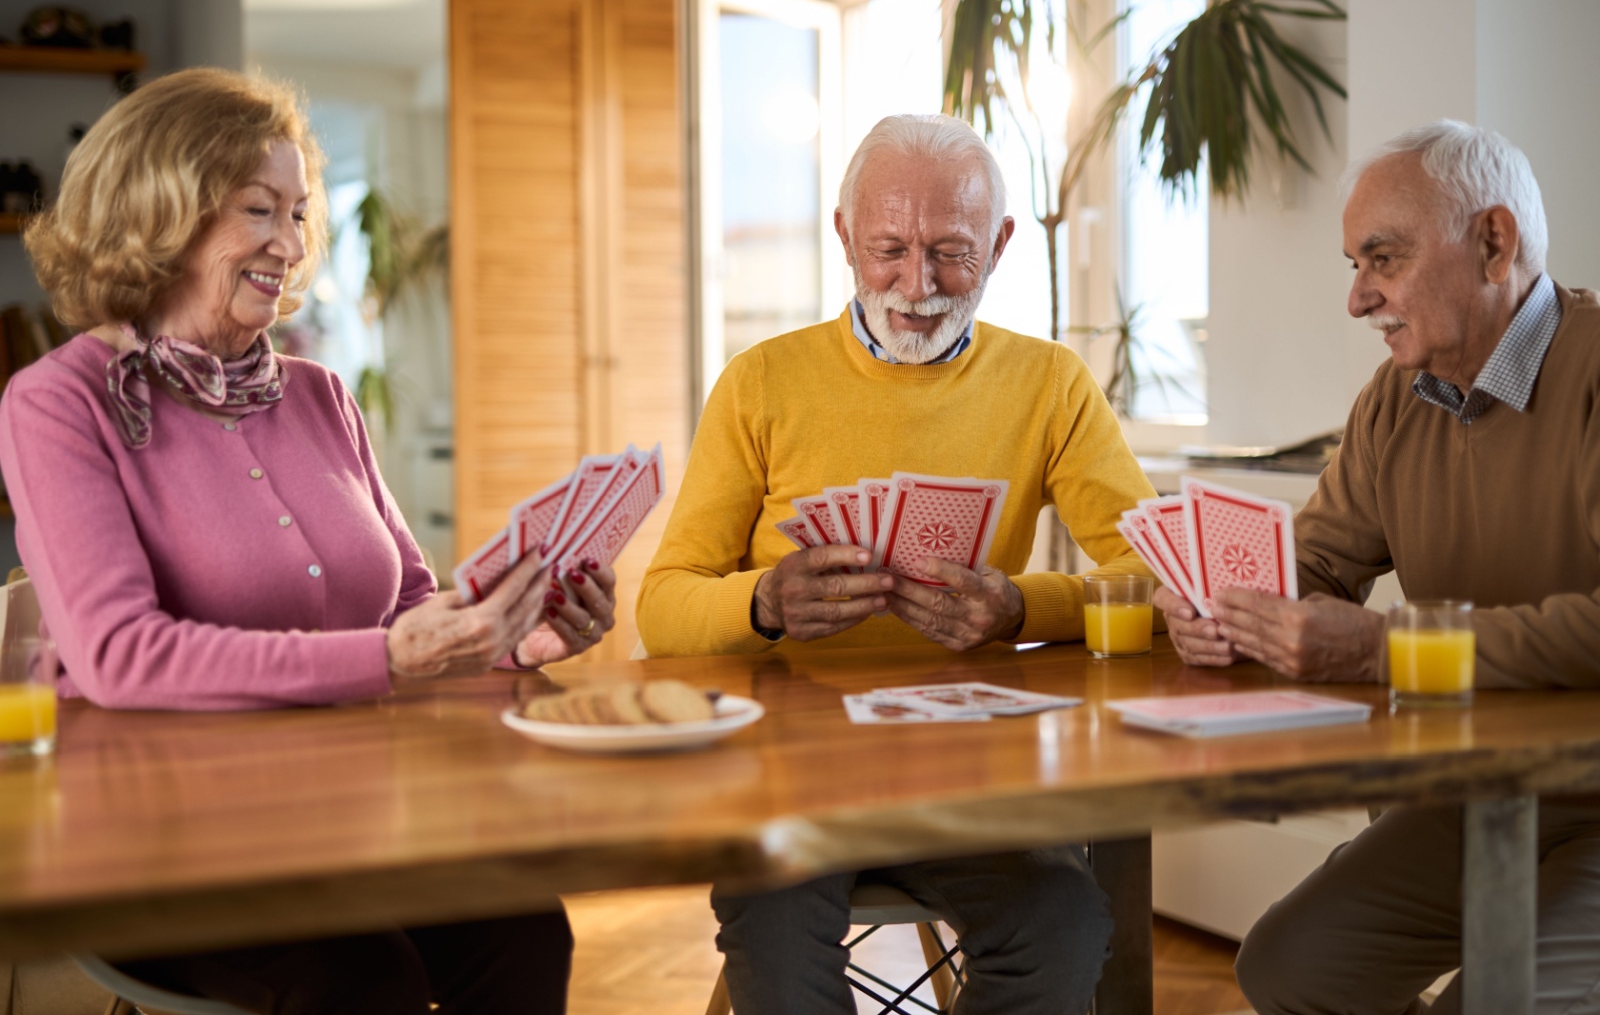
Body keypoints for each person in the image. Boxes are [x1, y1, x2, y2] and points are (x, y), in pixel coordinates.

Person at [0, 68, 617, 1015]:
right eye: (260, 210)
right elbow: (119, 657)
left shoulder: (322, 394)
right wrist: (391, 656)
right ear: (165, 210)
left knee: (524, 927)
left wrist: (516, 637)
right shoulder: (57, 402)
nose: (290, 245)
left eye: (299, 214)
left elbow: (412, 608)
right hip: (166, 841)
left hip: (353, 811)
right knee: (366, 985)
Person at [638, 114, 1159, 1015]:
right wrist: (762, 603)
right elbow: (661, 608)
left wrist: (1020, 608)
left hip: (966, 765)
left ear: (1001, 244)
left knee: (1065, 927)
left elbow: (1155, 580)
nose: (917, 286)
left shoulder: (1051, 384)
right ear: (843, 234)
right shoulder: (761, 383)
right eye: (887, 249)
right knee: (781, 959)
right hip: (786, 772)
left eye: (952, 253)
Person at [1157, 120, 1600, 1014]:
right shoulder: (1396, 400)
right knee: (1286, 968)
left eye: (1383, 260)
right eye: (1353, 266)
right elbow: (1316, 561)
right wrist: (1230, 607)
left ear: (1493, 242)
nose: (1358, 299)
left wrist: (1382, 649)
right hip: (1479, 791)